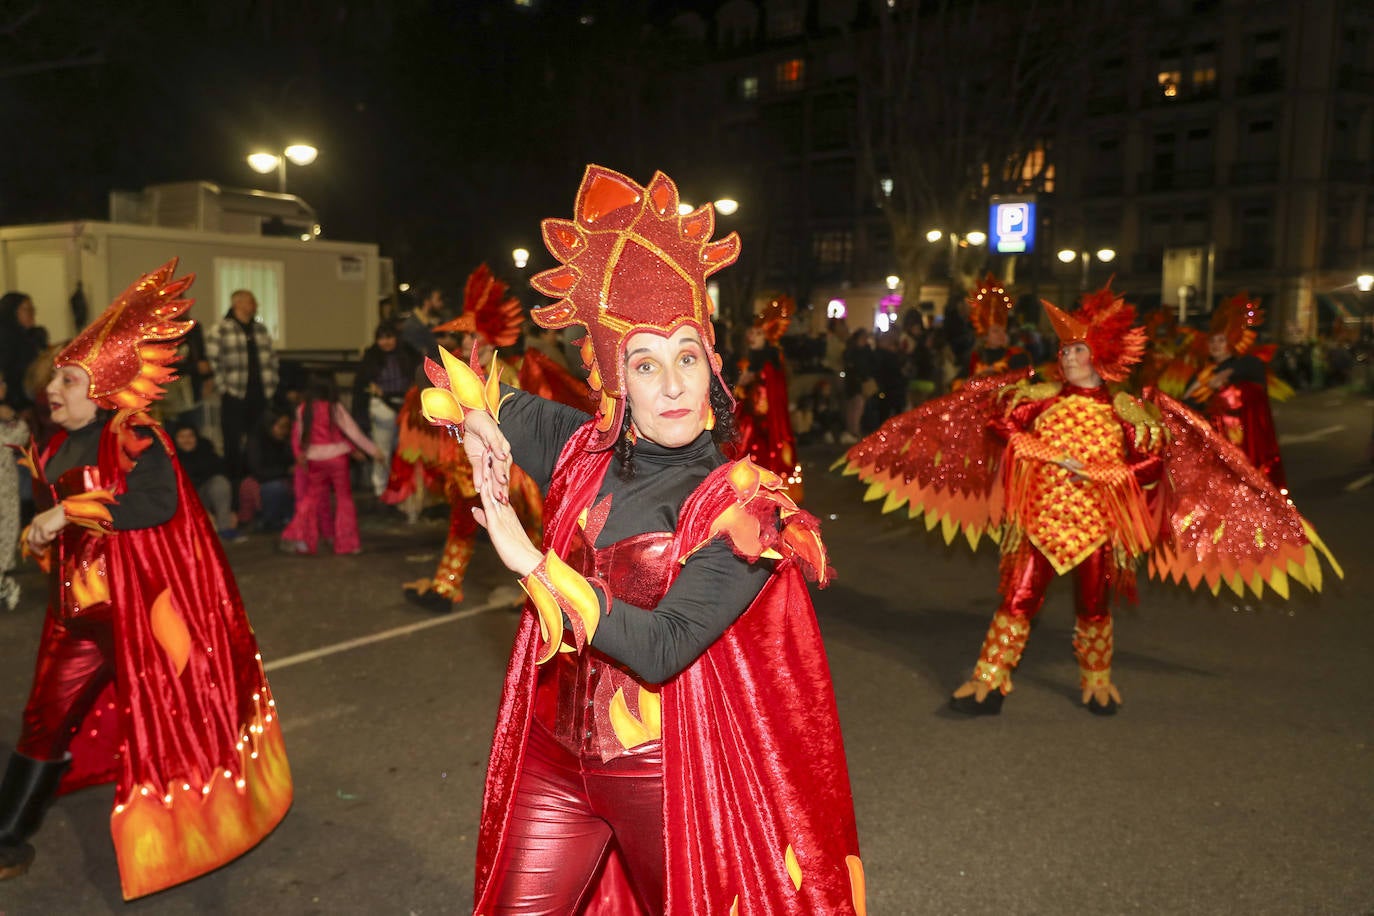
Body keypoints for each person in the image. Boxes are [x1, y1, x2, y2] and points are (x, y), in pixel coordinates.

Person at [423, 165, 863, 914]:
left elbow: (664, 645)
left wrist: (529, 560)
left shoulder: (744, 506)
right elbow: (467, 389)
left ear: (713, 369)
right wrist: (475, 431)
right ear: (615, 383)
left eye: (687, 357)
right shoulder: (577, 445)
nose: (672, 385)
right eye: (646, 363)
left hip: (662, 776)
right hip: (552, 760)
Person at [837, 283, 1342, 717]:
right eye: (1064, 351)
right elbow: (1001, 426)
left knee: (1095, 605)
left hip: (1099, 523)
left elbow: (1151, 462)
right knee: (1016, 600)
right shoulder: (1036, 399)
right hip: (1039, 518)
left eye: (1077, 351)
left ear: (1099, 355)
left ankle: (1097, 680)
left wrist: (1100, 471)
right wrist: (1045, 452)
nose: (1067, 358)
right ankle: (988, 680)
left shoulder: (1127, 409)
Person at [0, 261, 291, 897]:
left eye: (69, 379)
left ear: (100, 389)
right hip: (75, 613)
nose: (54, 387)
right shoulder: (54, 445)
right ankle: (7, 834)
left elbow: (159, 505)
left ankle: (193, 827)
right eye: (54, 376)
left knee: (172, 717)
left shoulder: (132, 436)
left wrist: (65, 511)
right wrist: (42, 535)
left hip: (137, 613)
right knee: (42, 718)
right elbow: (65, 524)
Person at [383, 264, 560, 610]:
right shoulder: (468, 371)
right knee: (466, 527)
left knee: (531, 533)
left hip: (511, 474)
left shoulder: (504, 373)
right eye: (463, 338)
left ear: (489, 339)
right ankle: (446, 588)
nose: (464, 343)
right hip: (474, 471)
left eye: (470, 337)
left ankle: (544, 592)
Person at [1183, 293, 1288, 492]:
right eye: (1212, 341)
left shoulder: (1245, 364)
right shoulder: (1203, 372)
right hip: (1213, 443)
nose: (1215, 345)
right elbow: (1188, 404)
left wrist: (1227, 374)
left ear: (1232, 341)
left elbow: (1253, 370)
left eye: (1221, 341)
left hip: (1243, 444)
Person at [280, 373, 382, 556]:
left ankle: (299, 538)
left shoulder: (303, 409)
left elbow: (301, 436)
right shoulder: (334, 408)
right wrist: (374, 451)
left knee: (311, 499)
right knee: (344, 499)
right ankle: (347, 544)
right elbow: (353, 432)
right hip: (337, 459)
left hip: (314, 459)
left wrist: (302, 457)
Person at [729, 297, 803, 500]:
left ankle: (766, 490)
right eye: (752, 333)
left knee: (762, 454)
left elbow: (768, 394)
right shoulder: (750, 361)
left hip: (766, 422)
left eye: (759, 333)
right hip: (750, 417)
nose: (753, 337)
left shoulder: (770, 363)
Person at [204, 289, 279, 484]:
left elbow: (272, 358)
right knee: (233, 441)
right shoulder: (220, 329)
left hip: (259, 393)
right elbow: (213, 360)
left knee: (257, 439)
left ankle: (255, 479)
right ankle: (234, 482)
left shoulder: (260, 330)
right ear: (237, 303)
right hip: (234, 393)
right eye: (250, 302)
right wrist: (223, 387)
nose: (254, 306)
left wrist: (272, 384)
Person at [352, 322, 421, 496]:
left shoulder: (409, 354)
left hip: (407, 406)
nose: (386, 342)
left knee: (406, 451)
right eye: (382, 338)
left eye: (389, 337)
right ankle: (380, 491)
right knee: (382, 451)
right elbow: (360, 387)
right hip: (381, 406)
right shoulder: (370, 358)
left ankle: (401, 492)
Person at [956, 274, 1031, 383]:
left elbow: (1025, 381)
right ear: (985, 335)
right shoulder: (974, 358)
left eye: (1003, 330)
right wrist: (978, 377)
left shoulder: (1017, 356)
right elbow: (957, 384)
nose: (1001, 334)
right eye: (995, 331)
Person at [171, 425, 238, 538]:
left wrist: (232, 510)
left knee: (220, 482)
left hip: (205, 498)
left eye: (190, 436)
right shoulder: (170, 458)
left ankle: (225, 528)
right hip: (182, 504)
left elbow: (226, 477)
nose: (187, 440)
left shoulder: (207, 454)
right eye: (182, 437)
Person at [240, 410, 296, 532]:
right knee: (276, 488)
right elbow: (258, 471)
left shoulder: (285, 441)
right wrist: (285, 471)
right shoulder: (256, 441)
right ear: (269, 425)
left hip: (281, 479)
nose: (283, 430)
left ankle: (288, 519)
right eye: (280, 426)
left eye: (286, 427)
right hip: (260, 481)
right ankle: (268, 521)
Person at [0, 377, 26, 610]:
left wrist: (13, 419)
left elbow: (21, 439)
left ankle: (3, 584)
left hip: (5, 493)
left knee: (5, 537)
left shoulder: (6, 415)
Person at [0, 292, 49, 414]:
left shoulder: (33, 337)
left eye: (32, 309)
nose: (32, 313)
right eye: (26, 309)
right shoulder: (4, 338)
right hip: (10, 407)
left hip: (32, 403)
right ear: (11, 312)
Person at [398, 282, 446, 358]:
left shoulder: (431, 322)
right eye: (438, 299)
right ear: (427, 302)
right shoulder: (412, 326)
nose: (441, 304)